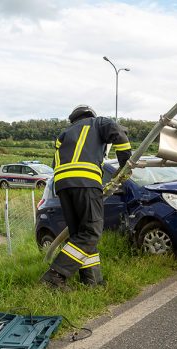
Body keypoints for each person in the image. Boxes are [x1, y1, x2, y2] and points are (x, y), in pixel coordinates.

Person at [41, 105, 132, 289]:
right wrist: (124, 167)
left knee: (80, 235)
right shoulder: (98, 122)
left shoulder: (63, 135)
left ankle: (91, 281)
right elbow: (119, 134)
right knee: (91, 232)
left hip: (62, 186)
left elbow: (55, 164)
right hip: (86, 182)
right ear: (90, 115)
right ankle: (55, 275)